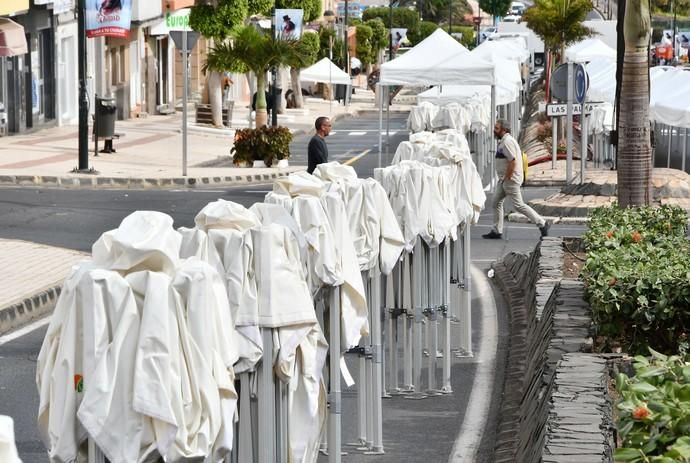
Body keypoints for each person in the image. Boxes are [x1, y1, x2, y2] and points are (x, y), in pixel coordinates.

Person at [483, 119, 550, 240]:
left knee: (519, 205)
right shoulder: (504, 141)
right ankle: (497, 230)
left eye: (497, 128)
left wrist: (508, 178)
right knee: (496, 202)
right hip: (505, 179)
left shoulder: (507, 142)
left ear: (504, 130)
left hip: (510, 179)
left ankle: (542, 223)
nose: (494, 130)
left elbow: (512, 161)